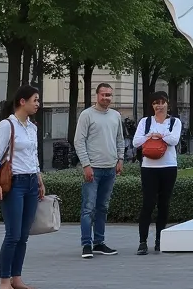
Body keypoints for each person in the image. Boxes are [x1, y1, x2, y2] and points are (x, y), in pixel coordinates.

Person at [0, 85, 46, 289]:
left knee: (23, 236)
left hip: (30, 182)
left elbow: (33, 157)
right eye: (35, 100)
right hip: (14, 184)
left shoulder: (32, 126)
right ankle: (4, 280)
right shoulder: (6, 126)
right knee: (12, 234)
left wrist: (39, 180)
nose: (38, 104)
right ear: (22, 101)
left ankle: (17, 278)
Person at [73, 81, 125, 258]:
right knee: (88, 208)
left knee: (103, 207)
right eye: (103, 94)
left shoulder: (116, 116)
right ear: (97, 95)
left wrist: (120, 159)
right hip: (93, 169)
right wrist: (86, 165)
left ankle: (99, 243)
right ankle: (86, 244)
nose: (106, 98)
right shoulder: (87, 115)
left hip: (110, 168)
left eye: (109, 95)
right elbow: (79, 141)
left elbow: (120, 139)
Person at [132, 91, 181, 255]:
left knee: (164, 204)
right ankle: (142, 241)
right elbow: (136, 142)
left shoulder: (175, 122)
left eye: (162, 102)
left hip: (168, 166)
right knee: (148, 204)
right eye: (155, 103)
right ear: (151, 106)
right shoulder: (145, 122)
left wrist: (160, 134)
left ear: (168, 104)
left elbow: (174, 140)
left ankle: (160, 239)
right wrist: (150, 135)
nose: (159, 106)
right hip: (149, 168)